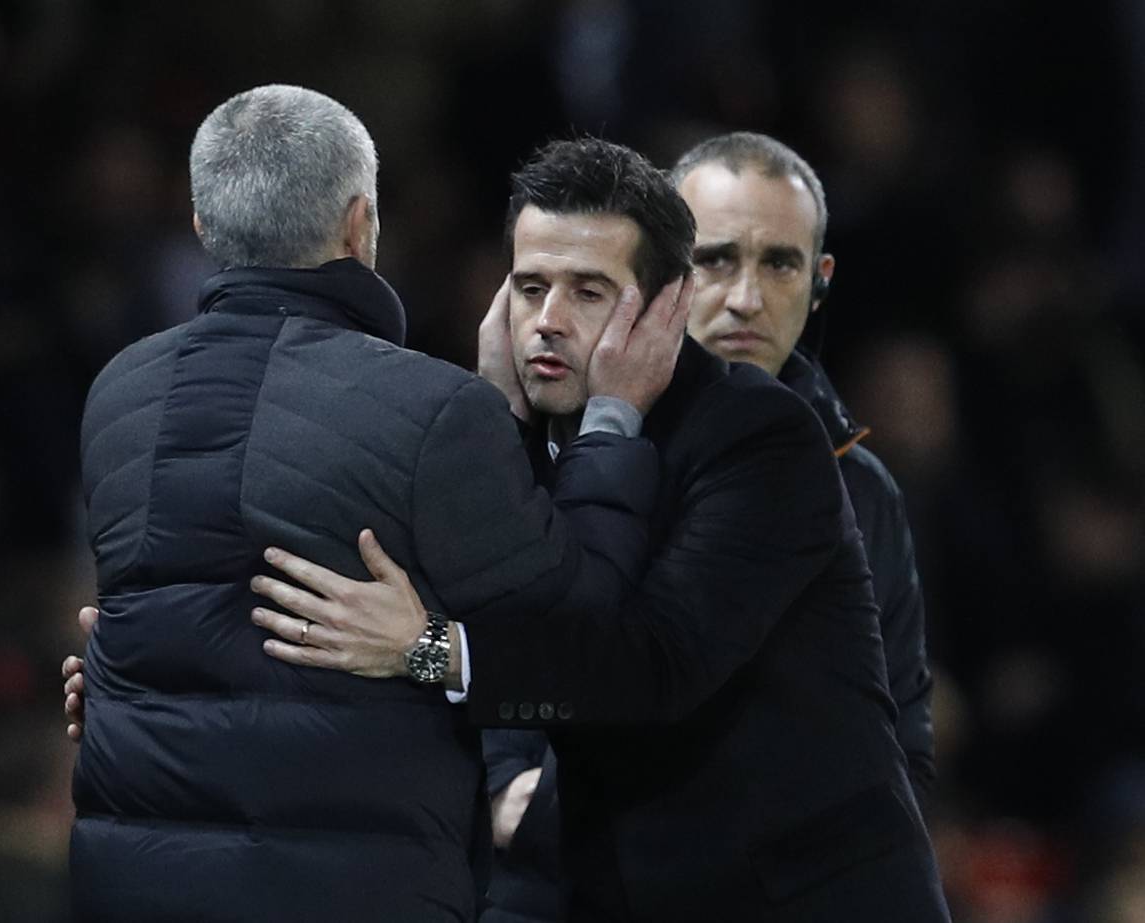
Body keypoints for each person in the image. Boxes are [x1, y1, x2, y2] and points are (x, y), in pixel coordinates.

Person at [242, 137, 952, 921]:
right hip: (622, 887)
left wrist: (429, 647)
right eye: (530, 286)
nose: (546, 321)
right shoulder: (501, 440)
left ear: (664, 306)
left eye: (587, 292)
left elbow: (655, 661)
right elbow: (352, 624)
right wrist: (123, 675)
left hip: (799, 894)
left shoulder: (759, 437)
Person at [68, 86, 690, 922]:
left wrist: (116, 676)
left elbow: (181, 625)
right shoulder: (433, 411)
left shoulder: (116, 394)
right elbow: (575, 627)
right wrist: (610, 421)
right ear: (360, 223)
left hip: (127, 887)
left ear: (203, 226)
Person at [479, 131, 937, 923]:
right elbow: (520, 622)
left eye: (778, 263)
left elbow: (644, 666)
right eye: (716, 260)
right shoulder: (537, 429)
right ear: (674, 281)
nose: (745, 298)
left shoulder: (803, 458)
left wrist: (424, 651)